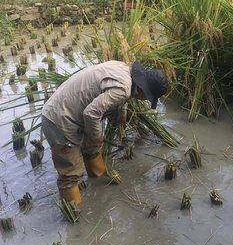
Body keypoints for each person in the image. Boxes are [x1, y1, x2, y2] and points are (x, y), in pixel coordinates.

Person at [41, 61, 169, 205]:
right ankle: (75, 216)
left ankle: (99, 188)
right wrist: (97, 137)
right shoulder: (124, 89)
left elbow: (116, 92)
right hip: (58, 119)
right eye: (148, 97)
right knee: (70, 173)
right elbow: (91, 114)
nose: (145, 100)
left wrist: (122, 112)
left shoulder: (123, 69)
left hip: (68, 109)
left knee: (92, 150)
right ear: (142, 90)